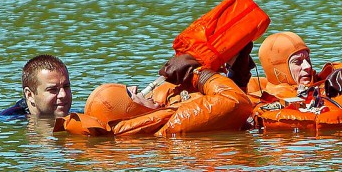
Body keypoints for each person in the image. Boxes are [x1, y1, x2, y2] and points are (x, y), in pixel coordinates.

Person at [54, 45, 255, 137]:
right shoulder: (174, 124)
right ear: (131, 111)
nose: (134, 87)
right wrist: (196, 73)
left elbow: (224, 109)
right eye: (129, 93)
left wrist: (237, 75)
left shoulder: (161, 113)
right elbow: (236, 103)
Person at [246, 32, 342, 130]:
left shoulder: (331, 81)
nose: (307, 66)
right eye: (298, 62)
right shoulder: (266, 100)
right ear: (278, 69)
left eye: (307, 59)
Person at [0, 54, 72, 118]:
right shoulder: (8, 120)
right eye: (52, 89)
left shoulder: (77, 115)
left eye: (66, 87)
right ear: (30, 95)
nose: (63, 95)